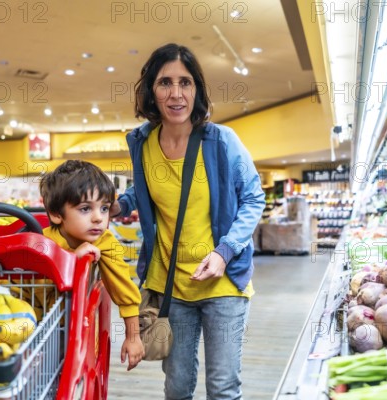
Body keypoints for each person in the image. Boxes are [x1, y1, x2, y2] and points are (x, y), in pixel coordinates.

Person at [112, 43, 266, 399]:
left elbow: (253, 197)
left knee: (223, 386)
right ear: (152, 90)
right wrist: (116, 206)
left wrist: (224, 251)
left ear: (197, 89)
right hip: (171, 286)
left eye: (185, 82)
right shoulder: (143, 143)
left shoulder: (221, 141)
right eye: (165, 82)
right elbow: (147, 190)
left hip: (223, 283)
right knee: (177, 386)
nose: (176, 94)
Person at [39, 159, 144, 371]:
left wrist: (133, 337)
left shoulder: (106, 243)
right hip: (21, 314)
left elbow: (125, 289)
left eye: (104, 208)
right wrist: (71, 259)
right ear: (56, 214)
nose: (98, 218)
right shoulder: (43, 242)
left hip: (58, 328)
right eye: (85, 209)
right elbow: (32, 284)